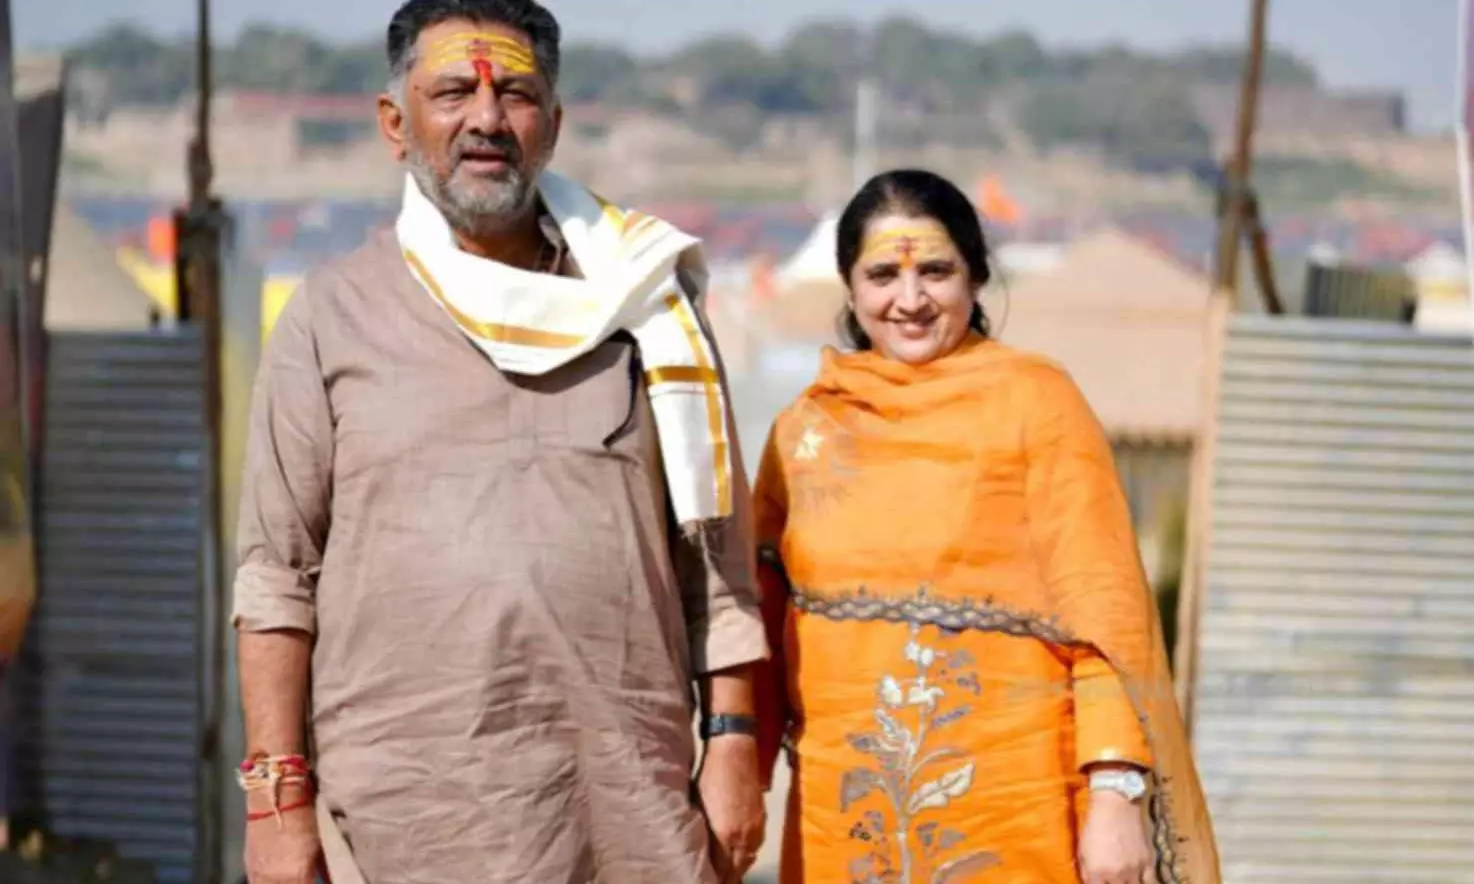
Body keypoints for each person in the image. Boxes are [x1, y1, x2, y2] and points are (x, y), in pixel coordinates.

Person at [231, 1, 768, 882]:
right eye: (453, 92)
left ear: (552, 124)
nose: (486, 118)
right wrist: (276, 800)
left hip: (625, 799)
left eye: (515, 94)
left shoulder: (649, 309)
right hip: (406, 812)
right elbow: (278, 575)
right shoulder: (331, 315)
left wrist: (735, 738)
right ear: (395, 123)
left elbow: (715, 558)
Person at [752, 170, 1219, 884]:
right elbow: (756, 619)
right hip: (840, 825)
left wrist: (1115, 791)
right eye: (883, 275)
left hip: (1017, 815)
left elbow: (1106, 615)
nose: (910, 300)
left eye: (936, 272)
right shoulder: (806, 432)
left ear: (976, 278)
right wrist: (737, 771)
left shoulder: (1038, 405)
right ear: (849, 288)